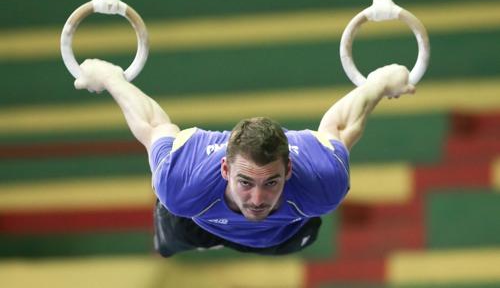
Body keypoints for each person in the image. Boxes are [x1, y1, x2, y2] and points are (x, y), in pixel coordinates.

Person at [74, 59, 415, 256]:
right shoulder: (183, 181)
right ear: (224, 167)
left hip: (281, 235)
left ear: (289, 169)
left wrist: (378, 84)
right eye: (245, 182)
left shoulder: (322, 181)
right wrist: (110, 78)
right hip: (196, 223)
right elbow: (152, 125)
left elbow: (340, 126)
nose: (257, 198)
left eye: (271, 182)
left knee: (311, 216)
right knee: (170, 230)